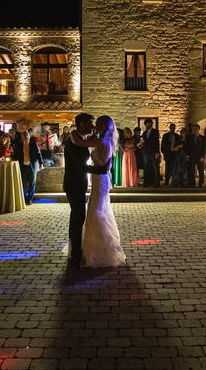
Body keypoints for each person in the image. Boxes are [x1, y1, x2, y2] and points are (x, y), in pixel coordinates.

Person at [69, 115, 127, 268]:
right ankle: (94, 249)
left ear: (105, 126)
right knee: (98, 211)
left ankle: (98, 251)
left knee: (96, 212)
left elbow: (79, 142)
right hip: (99, 179)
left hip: (100, 179)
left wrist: (71, 133)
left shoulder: (101, 141)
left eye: (98, 123)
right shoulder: (103, 140)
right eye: (93, 123)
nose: (94, 125)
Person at [62, 113, 114, 268]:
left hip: (85, 183)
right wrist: (103, 169)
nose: (93, 127)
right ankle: (76, 253)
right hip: (74, 184)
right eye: (90, 123)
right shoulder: (74, 142)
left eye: (95, 124)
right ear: (82, 124)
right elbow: (82, 166)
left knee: (82, 216)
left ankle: (79, 251)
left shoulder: (80, 140)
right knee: (78, 217)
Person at [20, 130, 44, 205]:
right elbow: (17, 155)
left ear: (29, 136)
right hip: (23, 166)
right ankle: (24, 198)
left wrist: (41, 163)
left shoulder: (33, 144)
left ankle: (29, 199)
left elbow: (38, 154)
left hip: (32, 165)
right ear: (22, 137)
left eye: (26, 135)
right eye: (24, 135)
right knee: (23, 183)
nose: (25, 136)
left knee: (32, 183)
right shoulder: (20, 145)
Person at [141, 118, 160, 187]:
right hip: (146, 152)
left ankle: (157, 183)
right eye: (147, 123)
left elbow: (157, 142)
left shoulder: (155, 131)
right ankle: (146, 182)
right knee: (146, 167)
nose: (148, 124)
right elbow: (143, 142)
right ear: (145, 124)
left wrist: (157, 152)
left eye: (149, 123)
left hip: (153, 152)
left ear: (151, 124)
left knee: (155, 167)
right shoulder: (144, 133)